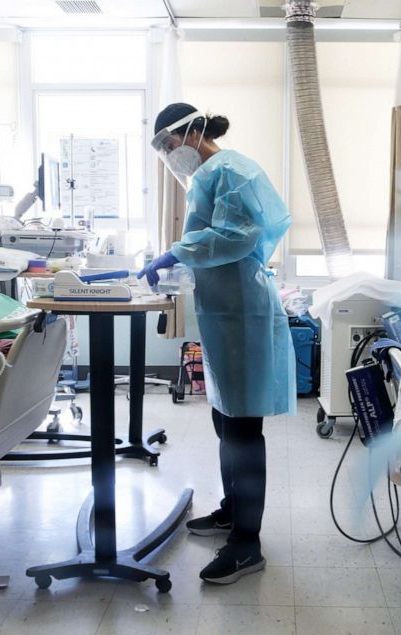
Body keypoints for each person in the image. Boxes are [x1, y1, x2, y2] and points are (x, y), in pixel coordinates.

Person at [140, 103, 295, 584]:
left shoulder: (230, 168)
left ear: (192, 132)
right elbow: (217, 238)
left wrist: (174, 252)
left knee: (243, 429)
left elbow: (235, 236)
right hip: (225, 313)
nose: (169, 155)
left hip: (243, 313)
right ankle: (232, 510)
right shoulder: (208, 176)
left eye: (169, 144)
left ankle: (247, 544)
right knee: (223, 418)